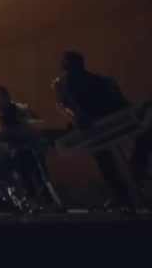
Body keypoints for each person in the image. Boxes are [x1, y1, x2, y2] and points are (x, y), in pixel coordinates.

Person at [54, 51, 150, 210]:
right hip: (100, 126)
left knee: (106, 161)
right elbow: (66, 106)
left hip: (96, 127)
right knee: (107, 161)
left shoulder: (74, 84)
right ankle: (127, 190)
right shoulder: (87, 82)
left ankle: (126, 192)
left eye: (65, 62)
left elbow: (66, 105)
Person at [0, 86, 52, 206]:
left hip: (28, 146)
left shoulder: (21, 109)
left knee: (39, 175)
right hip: (8, 150)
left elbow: (36, 122)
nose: (1, 98)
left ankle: (47, 200)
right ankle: (28, 198)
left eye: (4, 95)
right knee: (22, 175)